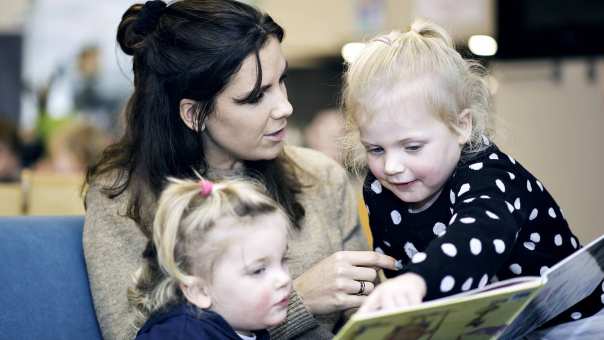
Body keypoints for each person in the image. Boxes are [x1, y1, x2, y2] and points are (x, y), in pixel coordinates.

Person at [83, 1, 397, 340]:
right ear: (193, 114)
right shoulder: (122, 198)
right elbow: (134, 335)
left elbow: (367, 296)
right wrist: (297, 301)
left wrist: (371, 298)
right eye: (255, 96)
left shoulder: (322, 176)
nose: (285, 106)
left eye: (282, 80)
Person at [341, 18, 604, 335]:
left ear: (461, 126)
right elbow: (400, 275)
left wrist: (418, 281)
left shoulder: (491, 174)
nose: (392, 166)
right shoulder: (382, 188)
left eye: (412, 147)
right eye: (376, 149)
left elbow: (475, 237)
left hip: (574, 320)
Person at [131, 177, 291, 339]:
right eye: (258, 270)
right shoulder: (181, 335)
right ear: (200, 291)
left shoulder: (242, 326)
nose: (284, 278)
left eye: (283, 260)